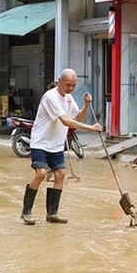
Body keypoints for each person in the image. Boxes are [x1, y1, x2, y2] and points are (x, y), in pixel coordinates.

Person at [21, 68, 102, 225]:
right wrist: (91, 128)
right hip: (41, 143)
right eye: (68, 85)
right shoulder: (50, 97)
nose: (70, 88)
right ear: (59, 81)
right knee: (41, 174)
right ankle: (26, 211)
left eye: (73, 85)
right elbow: (65, 121)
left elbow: (78, 116)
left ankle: (52, 213)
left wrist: (86, 105)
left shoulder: (69, 98)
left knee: (60, 175)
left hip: (56, 144)